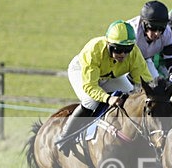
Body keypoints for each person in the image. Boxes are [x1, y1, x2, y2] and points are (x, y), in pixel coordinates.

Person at [56, 20, 152, 155]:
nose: (123, 54)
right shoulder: (94, 50)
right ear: (108, 45)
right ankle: (65, 136)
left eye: (127, 50)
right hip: (82, 71)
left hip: (109, 75)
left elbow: (146, 82)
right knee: (91, 100)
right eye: (118, 49)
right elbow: (90, 86)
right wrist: (108, 99)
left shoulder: (134, 53)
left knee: (129, 93)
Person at [126, 0, 172, 85]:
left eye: (161, 29)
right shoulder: (132, 31)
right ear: (143, 23)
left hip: (145, 61)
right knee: (128, 89)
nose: (157, 33)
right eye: (153, 28)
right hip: (122, 63)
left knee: (157, 89)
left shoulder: (167, 32)